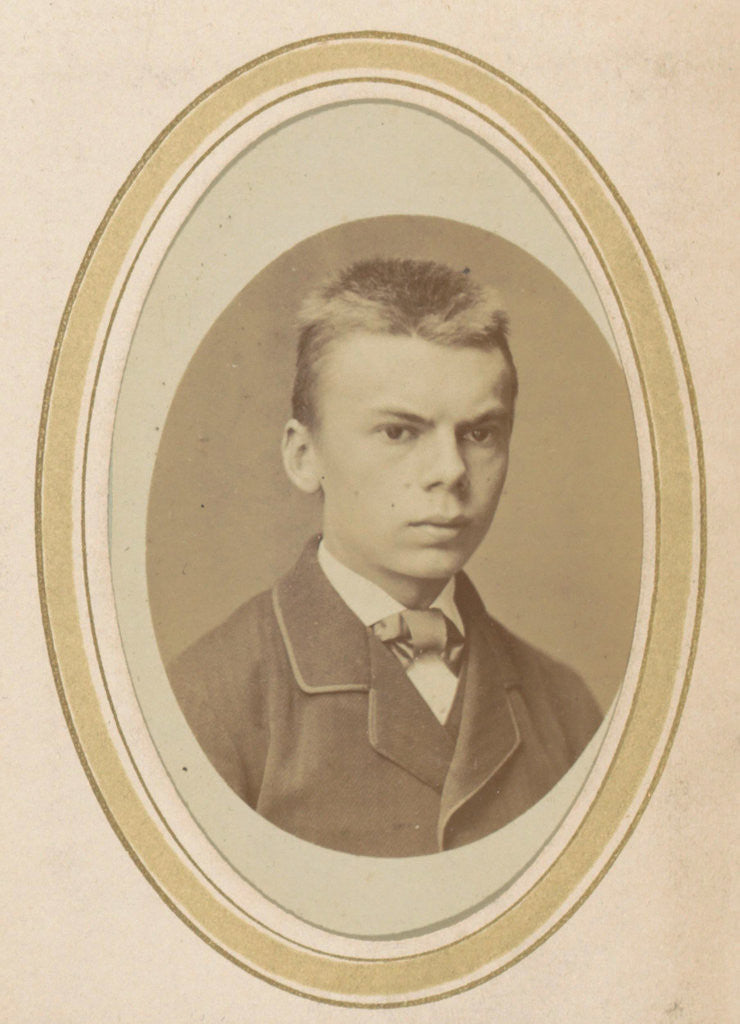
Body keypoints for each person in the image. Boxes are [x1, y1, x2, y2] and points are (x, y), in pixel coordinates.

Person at [168, 258, 602, 857]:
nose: (450, 472)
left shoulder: (566, 706)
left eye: (480, 434)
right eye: (400, 432)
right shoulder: (204, 704)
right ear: (303, 456)